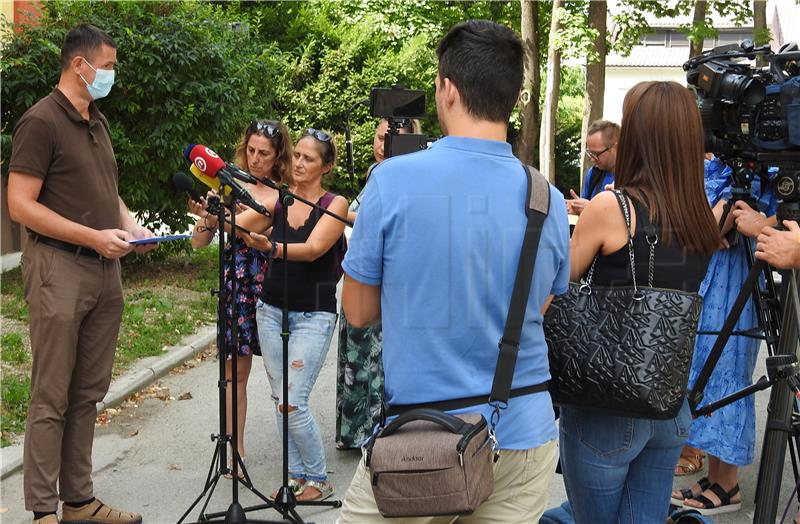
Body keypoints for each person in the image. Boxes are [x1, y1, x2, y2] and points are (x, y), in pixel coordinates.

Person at [338, 19, 570, 523]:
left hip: (422, 441)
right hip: (524, 433)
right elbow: (542, 301)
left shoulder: (391, 180)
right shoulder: (544, 195)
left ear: (446, 88)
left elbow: (357, 312)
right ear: (513, 96)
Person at [7, 24, 156, 524]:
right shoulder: (40, 122)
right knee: (52, 394)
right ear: (80, 65)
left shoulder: (96, 118)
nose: (111, 75)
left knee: (88, 393)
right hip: (58, 269)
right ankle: (42, 510)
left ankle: (79, 501)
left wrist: (129, 223)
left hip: (103, 272)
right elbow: (20, 206)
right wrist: (92, 237)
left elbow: (105, 189)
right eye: (108, 66)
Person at [561, 81, 719, 523]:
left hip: (607, 402)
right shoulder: (700, 214)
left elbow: (557, 285)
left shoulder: (612, 208)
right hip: (669, 401)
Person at [236, 128, 347, 502]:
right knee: (279, 397)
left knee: (293, 399)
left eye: (309, 158)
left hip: (314, 313)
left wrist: (272, 247)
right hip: (270, 309)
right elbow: (240, 225)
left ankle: (318, 476)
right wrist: (211, 215)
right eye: (296, 155)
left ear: (325, 166)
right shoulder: (280, 199)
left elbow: (315, 248)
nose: (298, 162)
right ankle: (297, 476)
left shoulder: (335, 203)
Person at [670, 155, 776, 515]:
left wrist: (758, 224)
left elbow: (785, 218)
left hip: (740, 278)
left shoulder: (776, 169)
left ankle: (727, 484)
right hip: (714, 280)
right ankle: (715, 477)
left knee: (728, 373)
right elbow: (706, 229)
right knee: (705, 371)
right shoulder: (723, 167)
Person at [187, 119, 293, 475]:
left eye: (264, 153)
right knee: (235, 373)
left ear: (279, 156)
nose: (255, 159)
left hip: (268, 288)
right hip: (236, 289)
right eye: (250, 151)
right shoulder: (232, 186)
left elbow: (250, 228)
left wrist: (219, 215)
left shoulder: (278, 195)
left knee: (282, 375)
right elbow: (197, 242)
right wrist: (207, 217)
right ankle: (236, 452)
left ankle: (298, 460)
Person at [335, 117, 417, 450]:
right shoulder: (375, 172)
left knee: (379, 360)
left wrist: (334, 213)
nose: (381, 144)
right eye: (378, 137)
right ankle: (354, 431)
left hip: (391, 282)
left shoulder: (412, 174)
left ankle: (379, 432)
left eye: (390, 138)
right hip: (362, 275)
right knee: (357, 353)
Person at [565, 120, 619, 215]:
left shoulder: (633, 178)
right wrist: (577, 208)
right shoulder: (594, 174)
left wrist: (591, 209)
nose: (593, 160)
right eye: (590, 153)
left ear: (615, 148)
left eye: (597, 154)